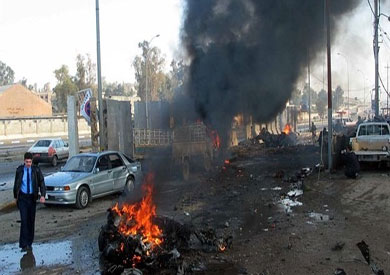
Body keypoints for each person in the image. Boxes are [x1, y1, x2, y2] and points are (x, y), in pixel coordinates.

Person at [13, 152, 46, 252]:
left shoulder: (36, 170)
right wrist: (16, 197)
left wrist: (43, 195)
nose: (28, 163)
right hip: (23, 198)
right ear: (24, 161)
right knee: (24, 220)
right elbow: (16, 184)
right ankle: (23, 244)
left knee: (31, 221)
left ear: (32, 161)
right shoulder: (19, 170)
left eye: (30, 162)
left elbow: (41, 182)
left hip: (32, 198)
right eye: (26, 162)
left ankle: (29, 243)